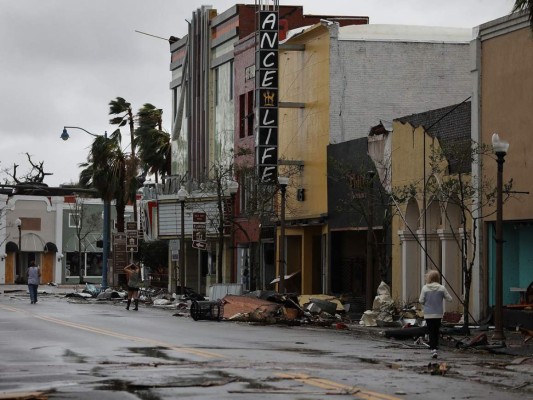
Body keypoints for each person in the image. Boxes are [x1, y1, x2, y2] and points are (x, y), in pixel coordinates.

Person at [419, 270, 452, 358]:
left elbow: (421, 300)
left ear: (429, 278)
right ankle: (435, 346)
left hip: (428, 313)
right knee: (436, 330)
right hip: (438, 313)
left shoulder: (425, 288)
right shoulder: (442, 288)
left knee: (430, 330)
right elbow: (450, 299)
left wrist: (427, 303)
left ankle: (432, 347)